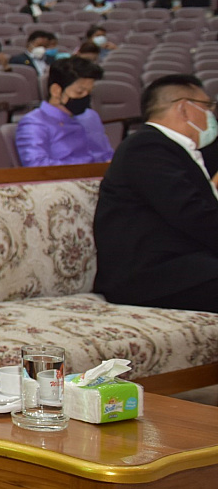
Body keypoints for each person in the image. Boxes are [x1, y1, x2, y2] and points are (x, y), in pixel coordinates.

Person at [93, 76, 218, 312]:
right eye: (207, 106)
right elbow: (191, 213)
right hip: (151, 276)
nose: (211, 115)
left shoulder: (180, 149)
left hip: (187, 265)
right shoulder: (146, 147)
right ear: (185, 108)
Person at [13, 58, 113, 167]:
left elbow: (106, 154)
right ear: (56, 91)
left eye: (89, 92)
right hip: (68, 177)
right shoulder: (34, 124)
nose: (85, 97)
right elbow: (37, 166)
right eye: (79, 92)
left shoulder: (90, 116)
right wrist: (88, 168)